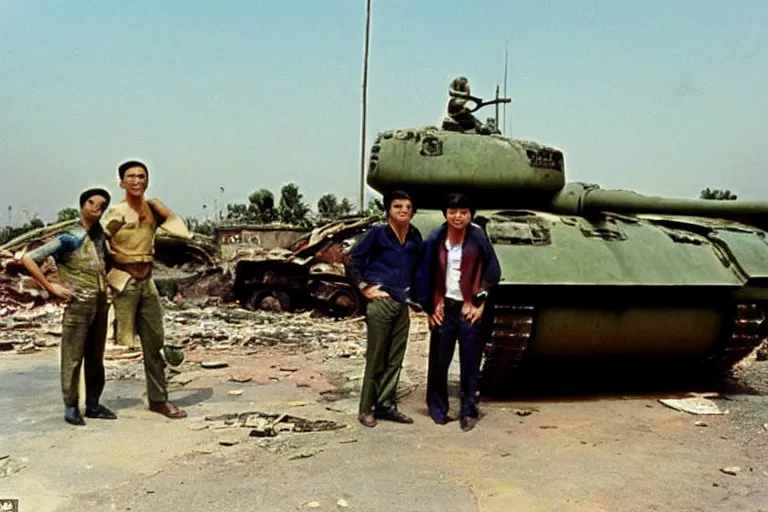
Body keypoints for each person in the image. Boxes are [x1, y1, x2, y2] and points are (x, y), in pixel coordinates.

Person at [18, 187, 117, 426]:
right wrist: (52, 288)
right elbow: (28, 258)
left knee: (96, 357)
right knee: (72, 358)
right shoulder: (70, 236)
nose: (97, 208)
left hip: (100, 304)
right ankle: (71, 406)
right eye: (92, 203)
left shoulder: (101, 236)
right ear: (82, 206)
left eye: (102, 205)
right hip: (77, 304)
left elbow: (109, 261)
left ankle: (93, 403)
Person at [101, 160, 189, 419]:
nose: (137, 181)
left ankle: (158, 399)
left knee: (155, 342)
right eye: (131, 177)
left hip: (146, 281)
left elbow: (183, 233)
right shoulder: (116, 212)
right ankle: (86, 401)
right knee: (105, 342)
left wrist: (166, 212)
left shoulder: (152, 211)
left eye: (141, 176)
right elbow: (97, 243)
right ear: (121, 182)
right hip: (122, 279)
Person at [416, 193, 500, 432]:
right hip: (444, 305)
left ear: (470, 215)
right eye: (453, 212)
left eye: (464, 212)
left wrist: (478, 303)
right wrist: (430, 308)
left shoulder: (478, 238)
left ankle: (468, 411)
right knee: (439, 361)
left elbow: (492, 271)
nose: (458, 216)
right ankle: (437, 409)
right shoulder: (435, 238)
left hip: (468, 307)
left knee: (470, 360)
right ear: (446, 214)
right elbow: (424, 274)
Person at [345, 190, 424, 428]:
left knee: (395, 358)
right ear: (388, 210)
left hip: (402, 302)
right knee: (376, 357)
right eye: (397, 206)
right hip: (381, 301)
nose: (403, 210)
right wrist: (363, 288)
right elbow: (351, 260)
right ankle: (366, 408)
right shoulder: (378, 234)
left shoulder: (414, 236)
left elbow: (420, 266)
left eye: (408, 207)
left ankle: (387, 405)